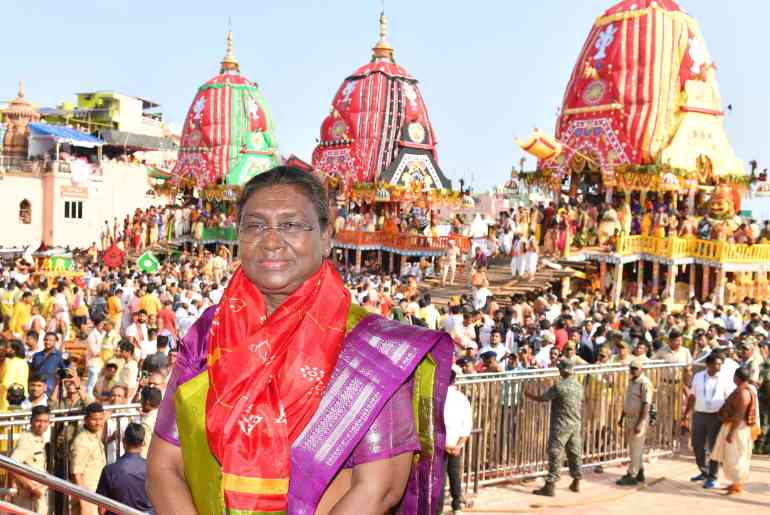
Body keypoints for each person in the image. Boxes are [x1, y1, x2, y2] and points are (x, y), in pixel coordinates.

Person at [147, 166, 452, 514]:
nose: (272, 241)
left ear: (326, 238)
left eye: (291, 225)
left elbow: (378, 488)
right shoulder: (209, 332)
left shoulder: (370, 349)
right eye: (255, 225)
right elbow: (163, 466)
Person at [524, 359, 583, 497]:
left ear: (563, 370)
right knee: (574, 452)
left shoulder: (559, 386)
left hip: (561, 424)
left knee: (555, 453)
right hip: (575, 423)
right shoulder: (578, 385)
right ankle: (576, 480)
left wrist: (529, 395)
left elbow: (543, 398)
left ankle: (550, 485)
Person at [711, 367, 761, 495]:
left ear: (736, 377)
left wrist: (731, 433)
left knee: (736, 457)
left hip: (739, 428)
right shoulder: (742, 390)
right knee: (731, 456)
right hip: (735, 426)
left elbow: (739, 415)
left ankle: (737, 485)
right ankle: (734, 484)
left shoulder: (743, 393)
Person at [683, 352, 729, 488]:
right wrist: (687, 413)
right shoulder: (698, 377)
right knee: (697, 445)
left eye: (721, 364)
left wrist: (725, 416)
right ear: (708, 364)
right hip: (699, 415)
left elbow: (729, 399)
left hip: (716, 416)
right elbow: (692, 396)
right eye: (717, 364)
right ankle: (704, 471)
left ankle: (713, 476)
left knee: (714, 447)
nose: (719, 366)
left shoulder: (724, 378)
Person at [96, 422, 154, 514]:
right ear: (143, 443)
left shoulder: (110, 471)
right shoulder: (152, 469)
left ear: (123, 442)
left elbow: (101, 508)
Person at [617, 357, 654, 485]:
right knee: (634, 447)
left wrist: (641, 422)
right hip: (629, 417)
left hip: (638, 418)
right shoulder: (632, 381)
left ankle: (632, 474)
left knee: (636, 448)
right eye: (631, 368)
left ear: (641, 369)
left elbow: (646, 404)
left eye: (635, 368)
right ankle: (639, 472)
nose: (632, 371)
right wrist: (622, 417)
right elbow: (628, 401)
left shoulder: (645, 383)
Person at [441, 365, 472, 515]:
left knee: (439, 479)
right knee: (455, 475)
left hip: (441, 445)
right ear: (454, 380)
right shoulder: (462, 398)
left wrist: (445, 445)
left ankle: (438, 508)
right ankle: (456, 505)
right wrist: (459, 445)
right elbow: (467, 425)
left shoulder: (438, 399)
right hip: (456, 445)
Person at [9, 405, 50, 513]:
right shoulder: (27, 440)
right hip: (28, 498)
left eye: (45, 421)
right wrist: (31, 487)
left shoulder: (40, 438)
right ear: (31, 421)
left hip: (38, 496)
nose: (42, 425)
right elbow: (11, 466)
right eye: (38, 421)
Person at [71, 402, 107, 515]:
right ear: (86, 419)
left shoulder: (94, 436)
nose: (98, 423)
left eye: (101, 419)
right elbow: (76, 474)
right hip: (87, 498)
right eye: (94, 419)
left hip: (96, 496)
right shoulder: (82, 442)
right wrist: (84, 503)